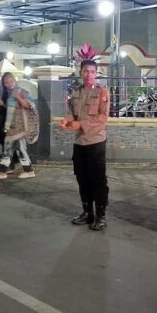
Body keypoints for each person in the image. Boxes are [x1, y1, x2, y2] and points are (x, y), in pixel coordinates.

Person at [58, 59, 110, 231]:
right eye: (85, 71)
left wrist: (81, 124)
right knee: (82, 178)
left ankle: (101, 216)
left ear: (96, 74)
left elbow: (103, 118)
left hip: (95, 142)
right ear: (80, 73)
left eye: (92, 72)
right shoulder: (75, 92)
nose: (88, 75)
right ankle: (87, 213)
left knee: (98, 180)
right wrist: (66, 120)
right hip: (79, 142)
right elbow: (70, 113)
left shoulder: (102, 93)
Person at [0, 72, 36, 180]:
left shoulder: (21, 91)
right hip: (12, 126)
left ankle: (1, 172)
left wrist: (18, 97)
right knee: (20, 149)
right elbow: (11, 109)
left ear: (15, 81)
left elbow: (29, 105)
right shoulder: (8, 93)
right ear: (4, 84)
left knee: (8, 149)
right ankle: (29, 171)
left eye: (11, 81)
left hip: (19, 126)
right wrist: (1, 104)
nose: (9, 84)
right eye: (6, 82)